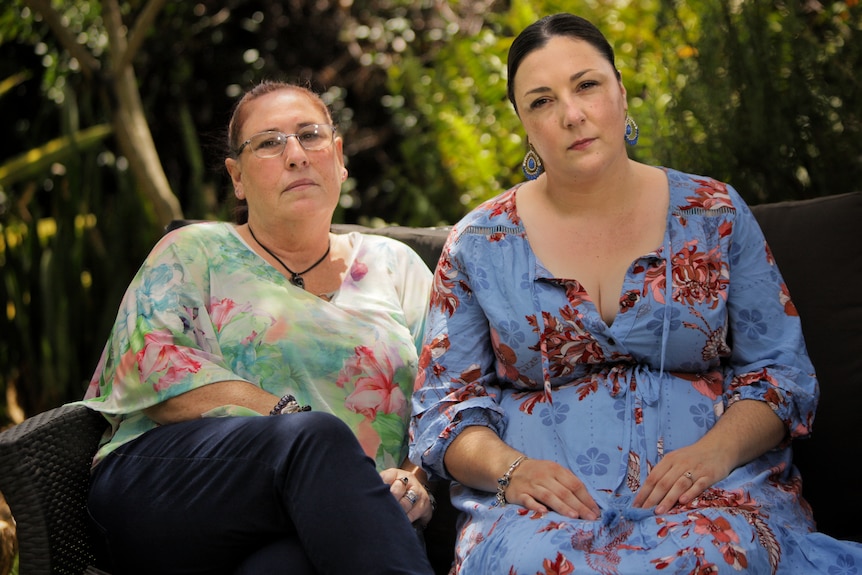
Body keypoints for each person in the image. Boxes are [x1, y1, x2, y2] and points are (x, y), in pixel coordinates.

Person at [409, 13, 862, 574]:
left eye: (586, 85)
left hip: (713, 490)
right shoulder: (479, 243)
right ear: (523, 124)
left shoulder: (713, 213)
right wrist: (512, 471)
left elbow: (780, 372)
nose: (572, 114)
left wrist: (715, 451)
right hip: (540, 508)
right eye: (542, 101)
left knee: (709, 555)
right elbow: (444, 408)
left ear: (621, 93)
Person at [82, 80, 435, 575]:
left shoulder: (395, 266)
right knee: (315, 438)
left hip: (331, 514)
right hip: (167, 489)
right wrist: (284, 417)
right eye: (269, 142)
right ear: (237, 178)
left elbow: (447, 390)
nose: (295, 154)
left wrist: (415, 479)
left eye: (310, 135)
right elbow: (150, 365)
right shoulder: (195, 250)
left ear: (338, 156)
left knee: (285, 566)